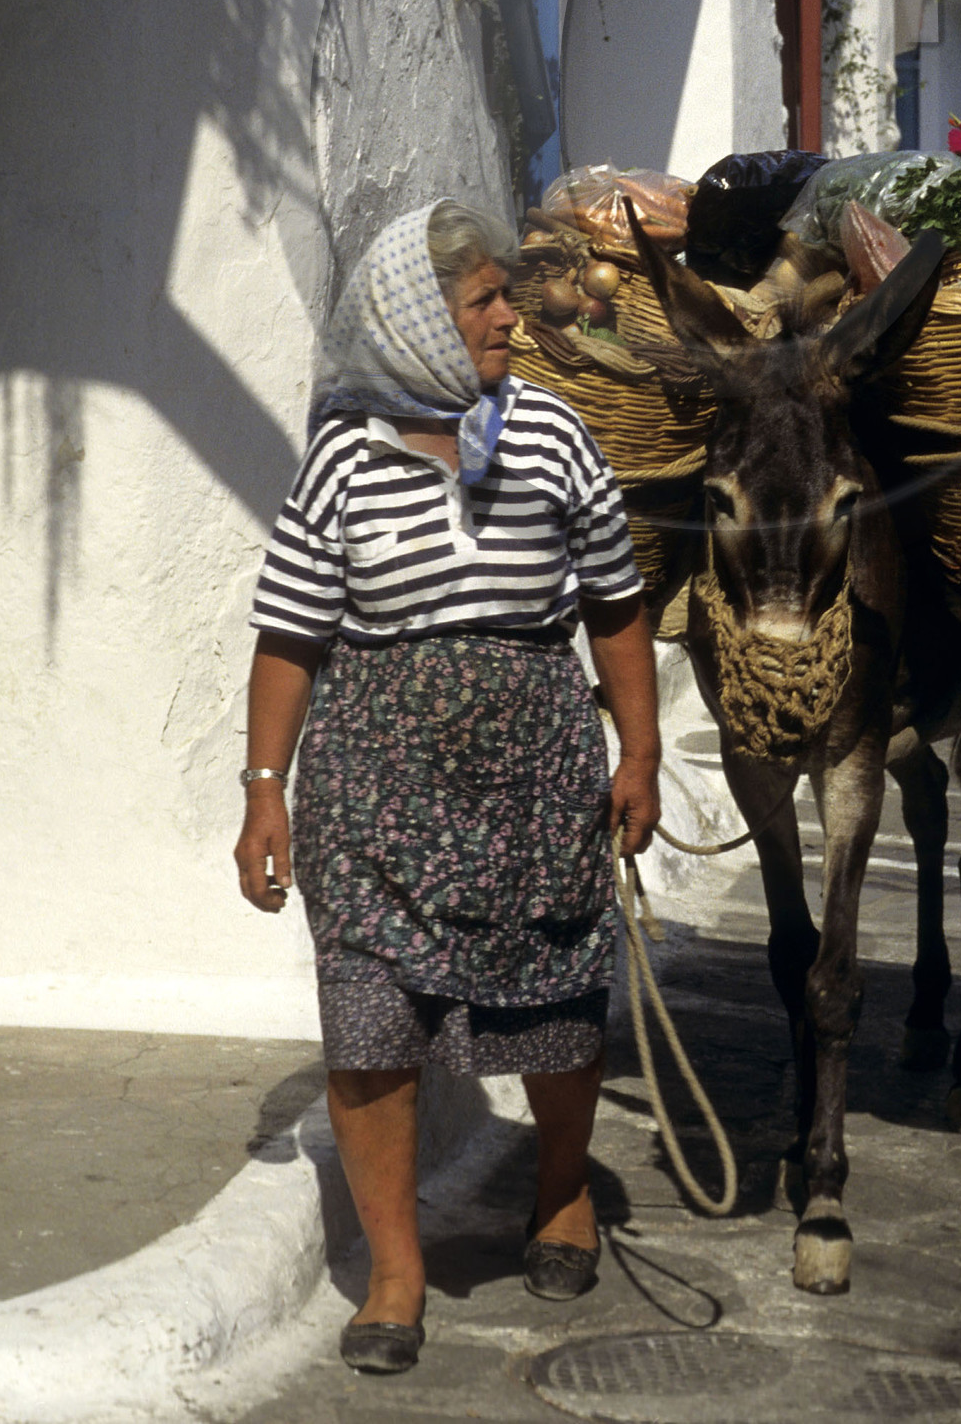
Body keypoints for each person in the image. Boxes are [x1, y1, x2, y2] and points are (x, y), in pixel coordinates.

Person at [233, 200, 661, 1377]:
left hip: (535, 776)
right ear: (419, 318)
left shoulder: (555, 438)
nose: (509, 319)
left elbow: (616, 606)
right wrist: (265, 790)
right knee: (369, 1016)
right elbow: (289, 636)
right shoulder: (342, 460)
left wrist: (638, 752)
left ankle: (563, 1191)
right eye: (483, 301)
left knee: (559, 993)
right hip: (375, 790)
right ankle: (395, 1268)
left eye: (503, 297)